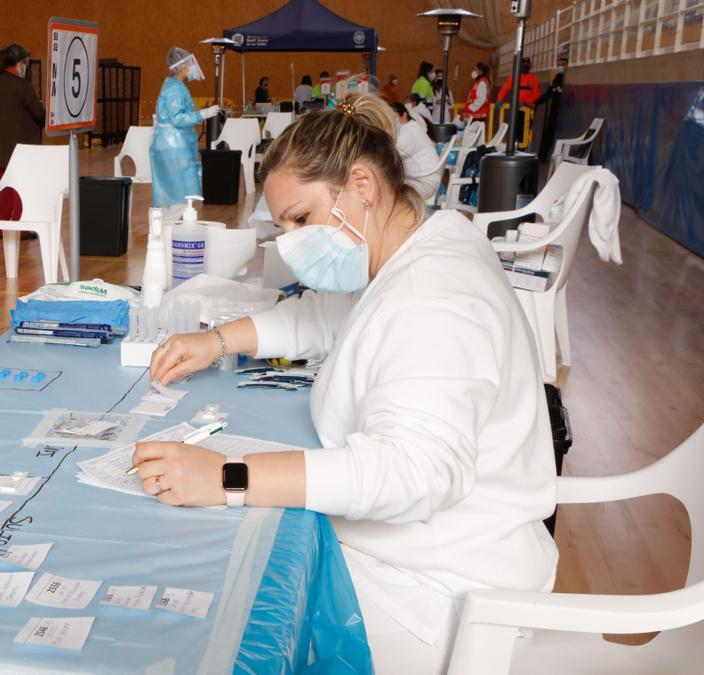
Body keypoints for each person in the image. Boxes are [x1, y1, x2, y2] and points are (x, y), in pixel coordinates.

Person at [135, 94, 558, 673]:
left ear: (361, 184)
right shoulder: (412, 248)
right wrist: (217, 340)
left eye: (301, 219)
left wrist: (227, 477)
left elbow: (411, 472)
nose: (290, 241)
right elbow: (325, 317)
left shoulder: (435, 301)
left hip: (440, 595)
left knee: (210, 610)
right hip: (423, 556)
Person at [149, 47, 219, 208]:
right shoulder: (174, 88)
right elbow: (177, 118)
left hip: (173, 144)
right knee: (182, 193)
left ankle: (178, 224)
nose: (192, 67)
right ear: (180, 66)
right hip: (173, 146)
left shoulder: (174, 84)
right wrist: (202, 114)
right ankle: (178, 225)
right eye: (189, 63)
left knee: (179, 194)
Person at [0, 43, 44, 222]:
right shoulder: (22, 85)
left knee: (4, 188)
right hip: (22, 149)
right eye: (25, 63)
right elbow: (39, 115)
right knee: (23, 189)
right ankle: (23, 228)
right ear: (19, 64)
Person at [389, 102, 443, 200]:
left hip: (422, 181)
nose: (392, 121)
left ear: (404, 115)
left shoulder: (409, 132)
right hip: (425, 177)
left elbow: (391, 155)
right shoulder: (411, 127)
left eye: (394, 117)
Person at [535, 57, 569, 162]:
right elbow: (549, 94)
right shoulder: (557, 79)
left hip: (565, 113)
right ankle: (543, 156)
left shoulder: (567, 80)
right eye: (558, 65)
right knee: (549, 133)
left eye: (563, 64)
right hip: (554, 111)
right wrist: (535, 103)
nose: (560, 67)